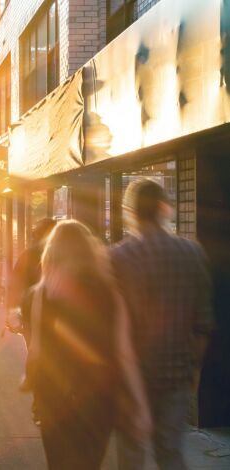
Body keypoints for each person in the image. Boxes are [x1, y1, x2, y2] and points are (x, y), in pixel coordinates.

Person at [22, 220, 151, 470]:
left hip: (52, 398)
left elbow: (36, 350)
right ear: (90, 252)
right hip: (98, 400)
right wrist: (140, 403)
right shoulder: (111, 294)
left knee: (58, 464)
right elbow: (125, 354)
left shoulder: (39, 296)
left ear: (51, 253)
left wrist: (30, 384)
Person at [111, 179, 214, 470]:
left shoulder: (118, 257)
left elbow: (113, 328)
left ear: (130, 212)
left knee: (131, 457)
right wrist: (193, 371)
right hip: (177, 377)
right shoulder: (193, 254)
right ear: (163, 209)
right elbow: (203, 325)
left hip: (131, 381)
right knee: (170, 455)